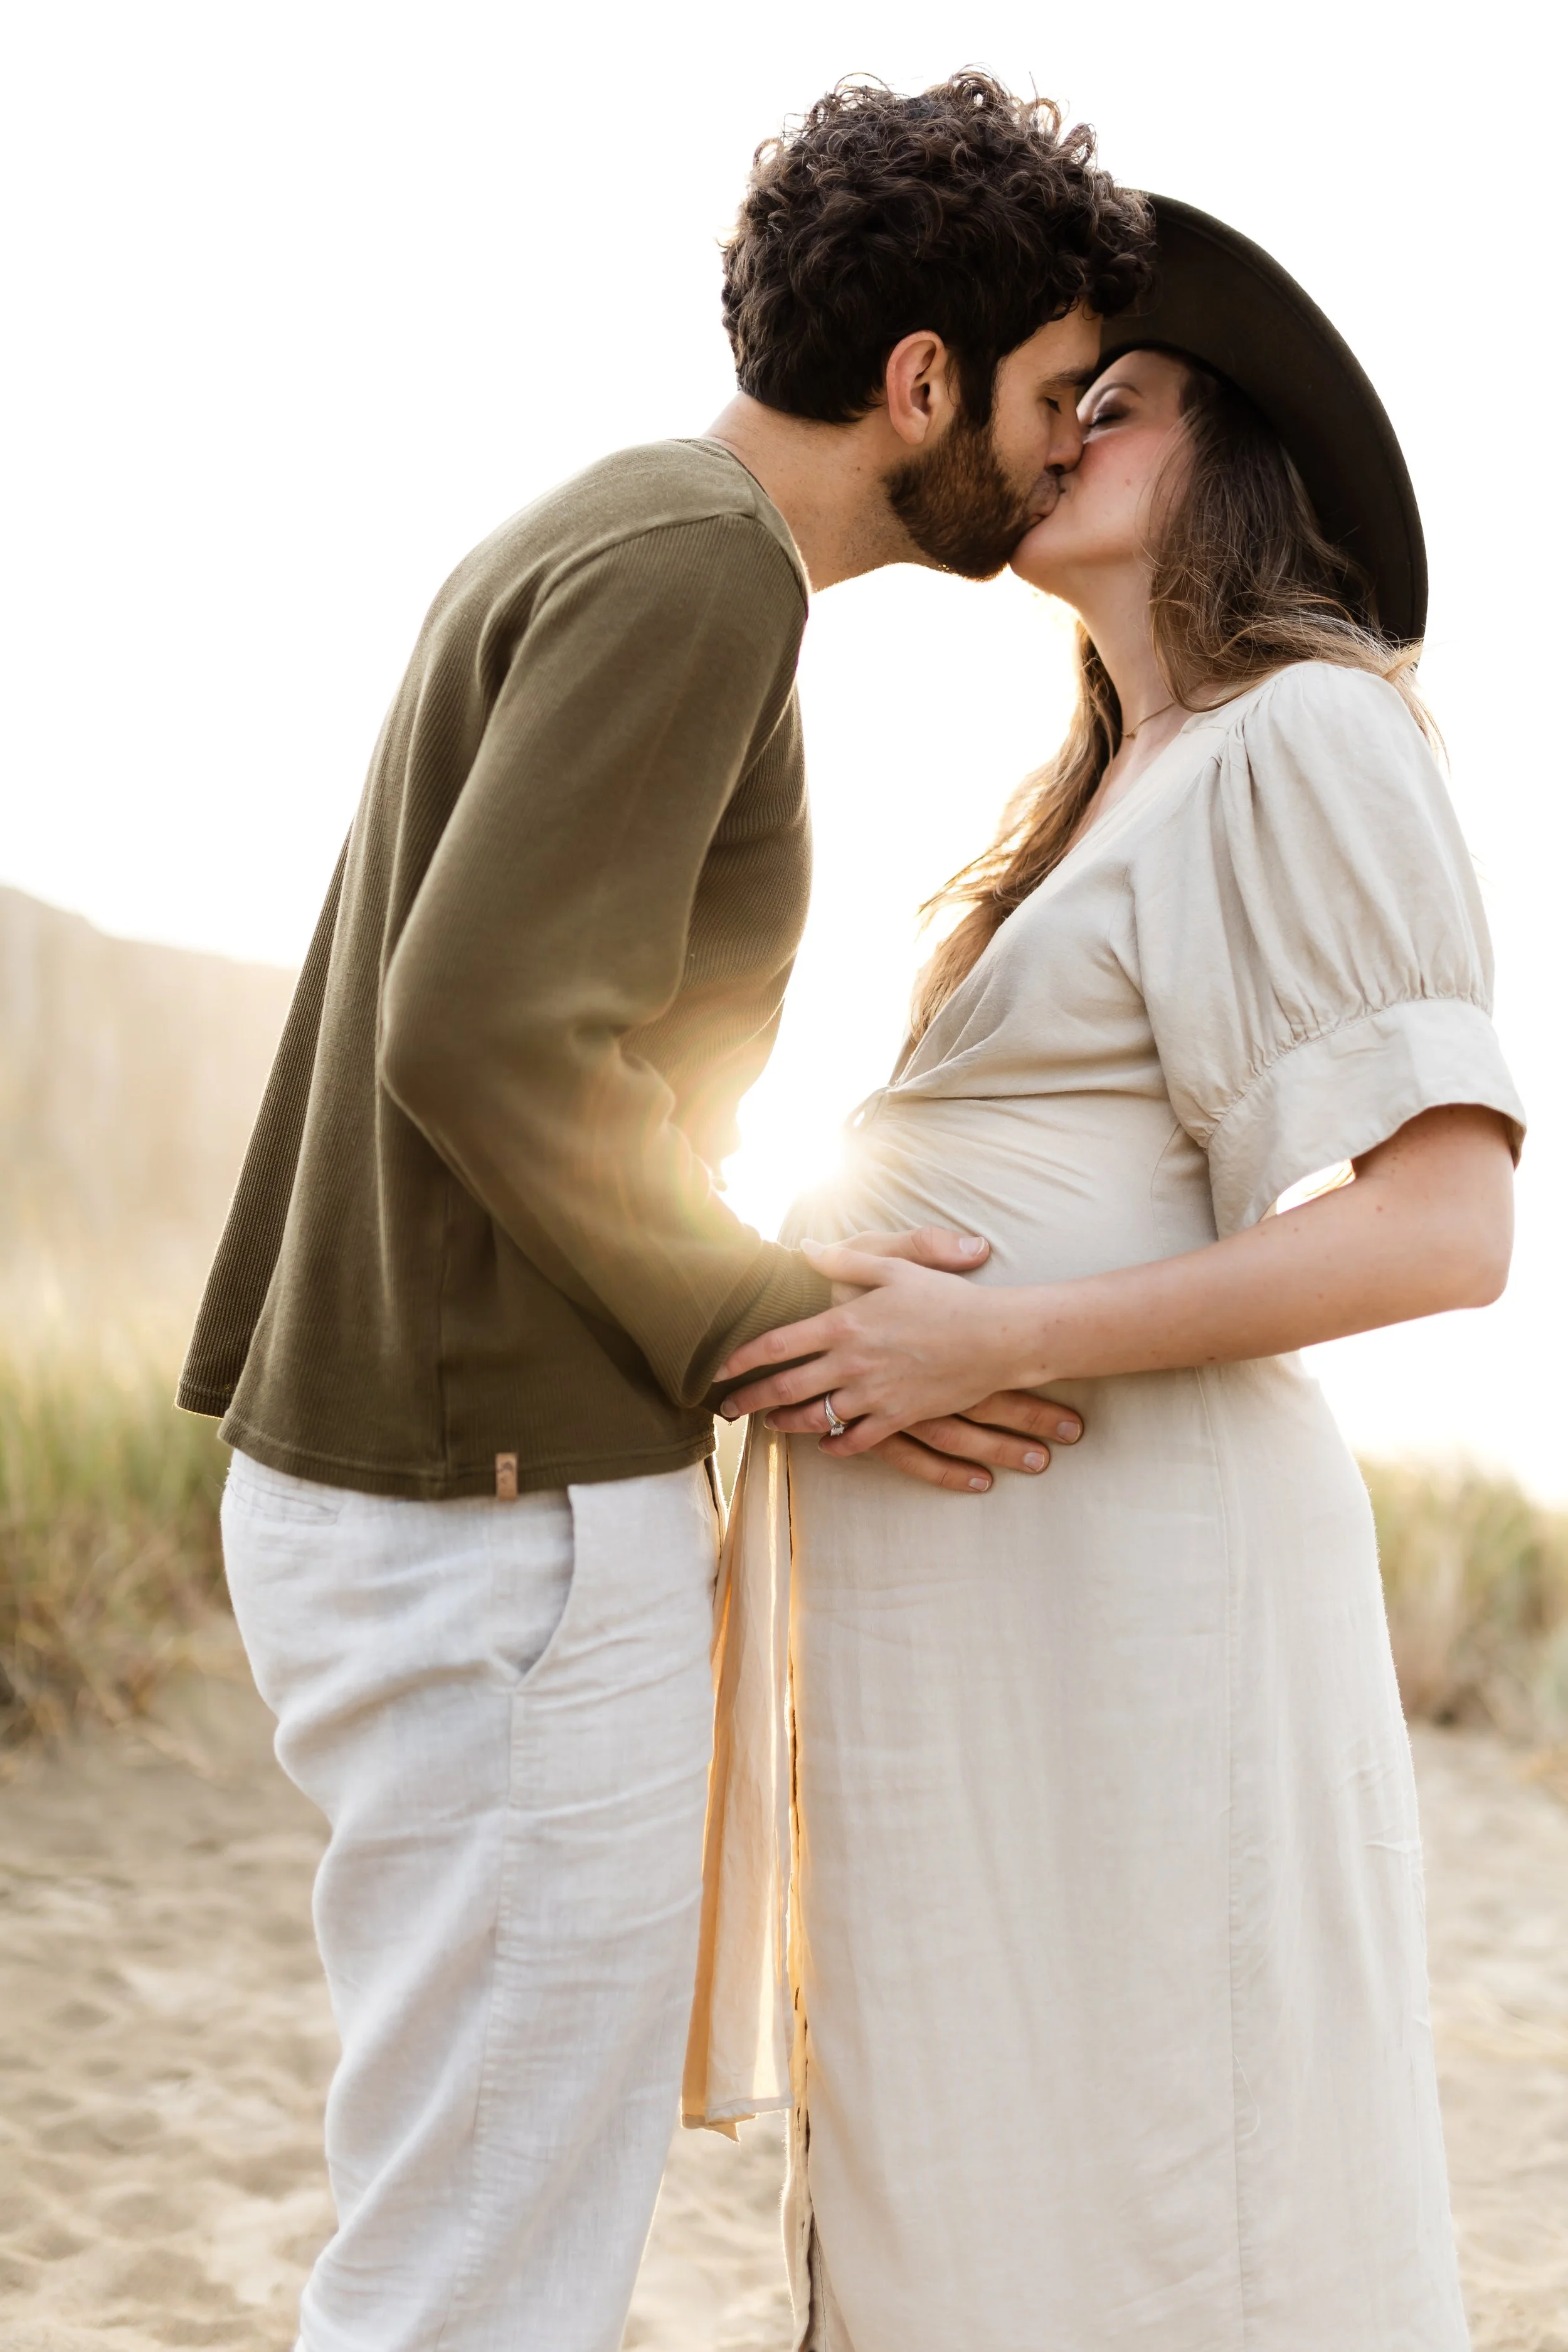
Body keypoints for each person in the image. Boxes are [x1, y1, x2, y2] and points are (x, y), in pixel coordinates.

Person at [174, 74, 1151, 2352]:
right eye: (1041, 397)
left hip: (416, 1492)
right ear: (917, 380)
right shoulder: (698, 566)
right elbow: (482, 1029)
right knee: (484, 2273)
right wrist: (761, 1314)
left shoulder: (619, 527)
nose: (1053, 449)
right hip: (493, 1522)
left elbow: (526, 1034)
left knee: (461, 2225)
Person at [695, 198, 1525, 2349]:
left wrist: (997, 1330)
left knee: (1178, 2168)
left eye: (1115, 402)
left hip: (1142, 1612)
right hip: (1006, 1630)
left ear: (1236, 460)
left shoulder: (1305, 728)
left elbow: (1448, 1222)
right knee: (996, 2181)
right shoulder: (1090, 798)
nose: (1057, 434)